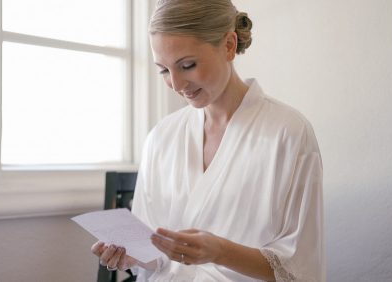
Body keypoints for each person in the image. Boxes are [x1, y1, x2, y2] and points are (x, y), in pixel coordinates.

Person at [91, 0, 324, 281]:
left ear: (228, 45)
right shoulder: (161, 138)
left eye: (187, 65)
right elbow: (157, 257)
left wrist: (220, 251)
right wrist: (133, 255)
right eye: (164, 70)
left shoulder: (288, 133)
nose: (176, 85)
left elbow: (299, 268)